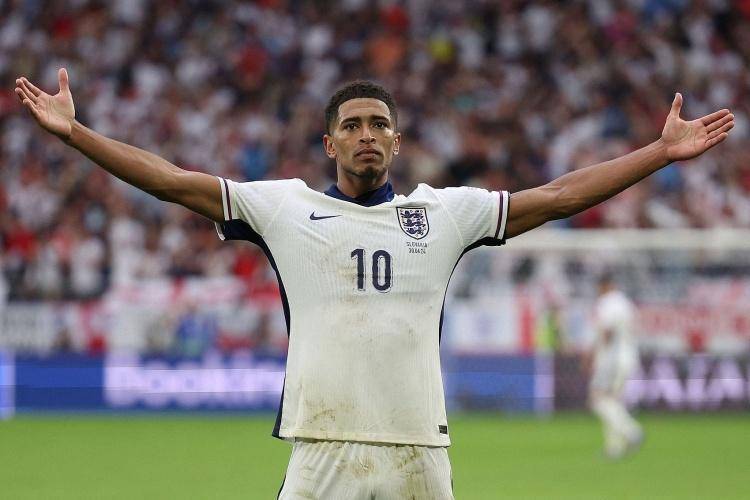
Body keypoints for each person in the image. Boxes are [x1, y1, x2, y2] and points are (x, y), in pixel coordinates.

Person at [15, 69, 733, 499]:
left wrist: (658, 152)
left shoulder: (444, 213)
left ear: (396, 140)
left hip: (419, 449)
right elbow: (173, 182)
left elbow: (557, 196)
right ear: (330, 142)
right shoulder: (284, 207)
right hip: (321, 445)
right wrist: (78, 135)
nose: (367, 134)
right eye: (353, 124)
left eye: (379, 124)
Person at [587, 274, 643, 460]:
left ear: (604, 286)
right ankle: (614, 448)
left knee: (598, 399)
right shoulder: (625, 303)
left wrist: (595, 355)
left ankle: (632, 431)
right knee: (613, 402)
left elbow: (608, 332)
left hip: (613, 358)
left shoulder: (607, 303)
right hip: (629, 356)